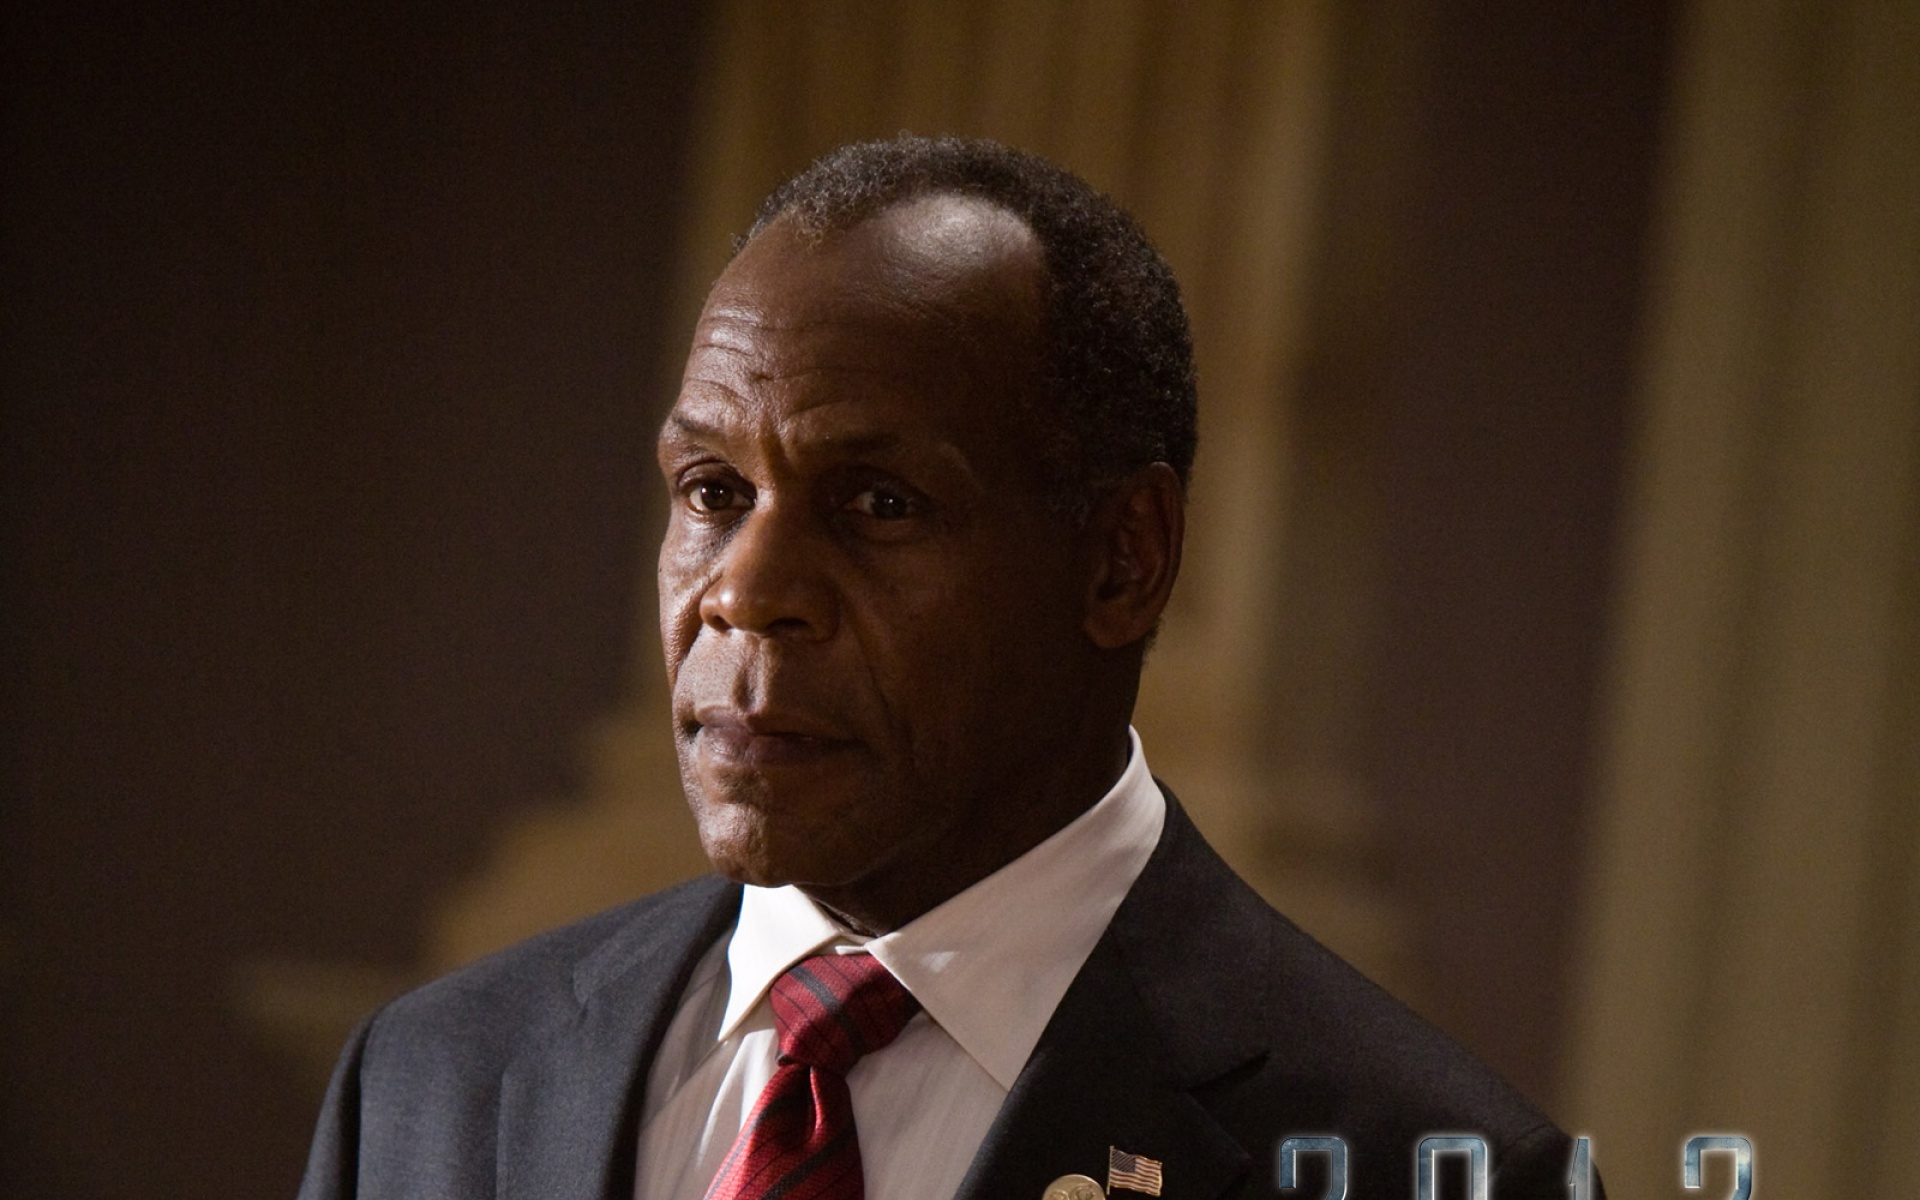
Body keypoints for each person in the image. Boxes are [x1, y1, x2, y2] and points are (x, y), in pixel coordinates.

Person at [298, 136, 1589, 1200]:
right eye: (712, 490)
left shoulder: (1429, 1170)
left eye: (880, 504)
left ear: (1122, 561)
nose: (745, 591)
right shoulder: (432, 1082)